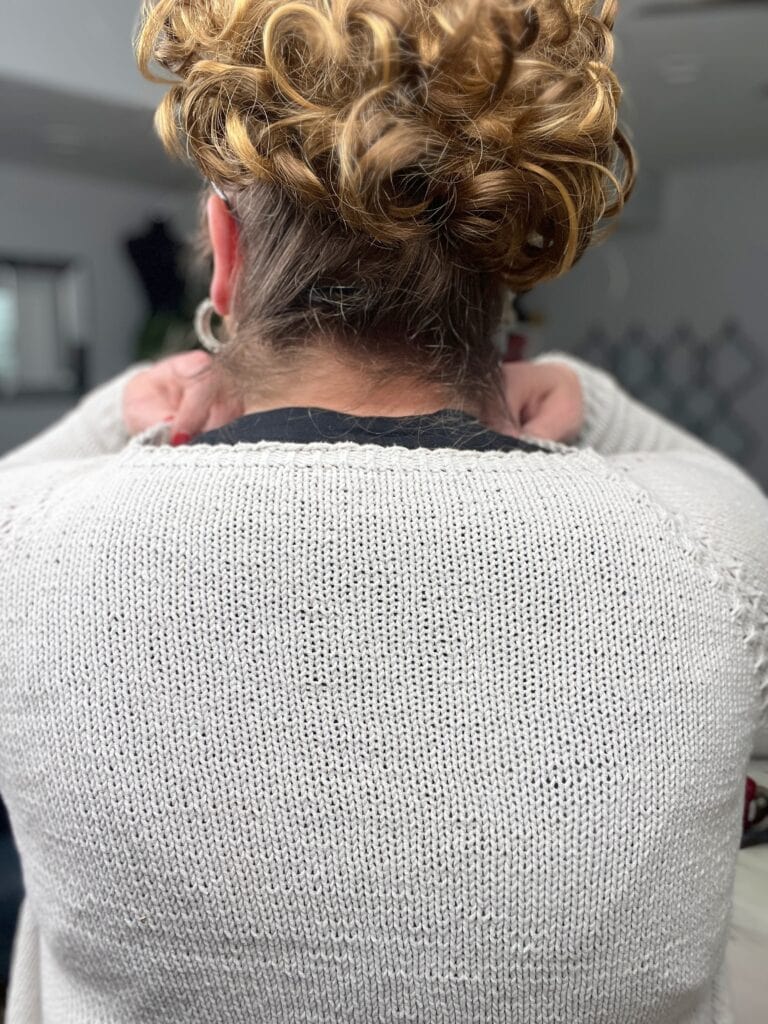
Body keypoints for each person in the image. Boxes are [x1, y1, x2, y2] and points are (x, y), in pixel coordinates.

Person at [0, 0, 766, 1021]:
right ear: (512, 263)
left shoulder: (31, 546)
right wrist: (596, 399)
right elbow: (727, 496)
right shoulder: (712, 545)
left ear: (225, 254)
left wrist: (128, 401)